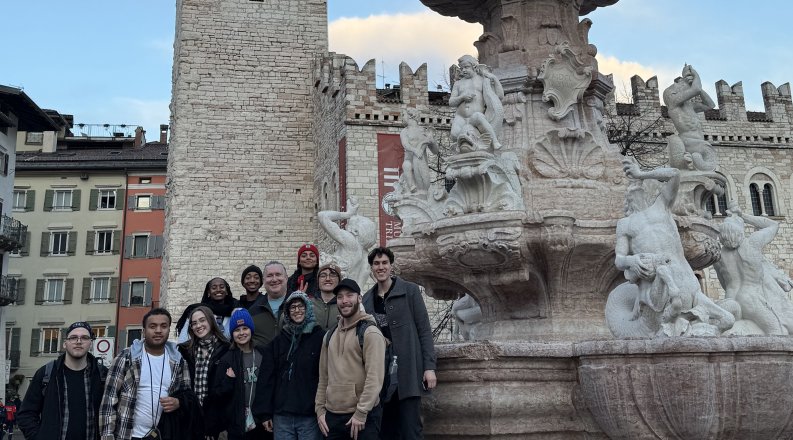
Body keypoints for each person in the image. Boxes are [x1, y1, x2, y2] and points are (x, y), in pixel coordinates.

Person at [611, 159, 734, 337]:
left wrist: (641, 174)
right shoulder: (625, 224)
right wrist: (633, 260)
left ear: (646, 191)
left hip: (686, 278)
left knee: (728, 320)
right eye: (631, 190)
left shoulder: (662, 206)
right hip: (659, 283)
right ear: (627, 198)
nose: (634, 190)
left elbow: (675, 174)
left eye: (639, 187)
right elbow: (619, 259)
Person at [362, 247, 437, 440]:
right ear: (371, 268)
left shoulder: (410, 291)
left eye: (384, 263)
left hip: (408, 373)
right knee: (386, 430)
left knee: (410, 430)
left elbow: (424, 330)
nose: (381, 267)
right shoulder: (367, 299)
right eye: (376, 264)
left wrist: (429, 367)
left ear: (391, 266)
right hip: (381, 375)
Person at [100, 308, 201, 440]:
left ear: (169, 329)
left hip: (165, 434)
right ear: (144, 330)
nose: (158, 330)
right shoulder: (126, 357)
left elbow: (187, 394)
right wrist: (107, 436)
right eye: (153, 326)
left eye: (163, 326)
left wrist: (178, 402)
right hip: (128, 435)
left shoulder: (179, 361)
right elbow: (109, 399)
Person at [315, 279, 386, 440]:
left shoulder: (370, 333)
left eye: (349, 295)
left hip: (362, 418)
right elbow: (323, 377)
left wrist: (361, 412)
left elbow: (374, 379)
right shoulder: (329, 335)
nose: (344, 301)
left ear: (359, 298)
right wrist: (320, 410)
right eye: (340, 297)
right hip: (331, 419)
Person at [18, 321, 107, 440]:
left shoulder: (102, 375)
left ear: (90, 343)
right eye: (73, 337)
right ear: (65, 343)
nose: (78, 341)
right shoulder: (46, 373)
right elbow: (26, 414)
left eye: (84, 338)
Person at [255, 292, 325, 439]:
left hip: (309, 414)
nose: (297, 310)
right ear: (286, 312)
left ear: (308, 308)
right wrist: (265, 413)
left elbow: (326, 375)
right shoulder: (278, 342)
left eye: (301, 306)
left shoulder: (320, 338)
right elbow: (267, 378)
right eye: (292, 307)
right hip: (282, 415)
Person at [714, 204, 793, 335]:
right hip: (750, 298)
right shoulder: (752, 243)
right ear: (740, 230)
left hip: (731, 298)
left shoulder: (719, 256)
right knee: (777, 332)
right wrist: (742, 215)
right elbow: (773, 225)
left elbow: (723, 282)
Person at [209, 308, 271, 440]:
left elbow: (270, 387)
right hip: (236, 423)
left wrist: (267, 414)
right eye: (237, 330)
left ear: (251, 330)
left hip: (261, 421)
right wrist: (228, 381)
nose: (241, 333)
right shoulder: (227, 359)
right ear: (232, 333)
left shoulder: (263, 354)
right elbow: (217, 394)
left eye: (245, 328)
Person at [177, 306, 230, 438]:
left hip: (217, 419)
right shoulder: (184, 350)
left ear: (211, 321)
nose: (198, 326)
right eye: (194, 323)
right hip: (190, 419)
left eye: (202, 320)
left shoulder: (227, 349)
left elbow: (228, 389)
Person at [662, 64, 717, 171]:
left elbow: (710, 105)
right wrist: (695, 75)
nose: (682, 83)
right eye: (679, 83)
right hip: (688, 143)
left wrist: (698, 88)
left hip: (700, 142)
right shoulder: (673, 104)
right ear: (672, 93)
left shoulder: (690, 106)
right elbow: (696, 89)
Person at [317, 198, 377, 286]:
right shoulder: (365, 256)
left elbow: (322, 216)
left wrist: (348, 214)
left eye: (349, 224)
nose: (345, 226)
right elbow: (360, 286)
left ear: (356, 231)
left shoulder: (350, 241)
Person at [449, 54, 504, 150]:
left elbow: (499, 96)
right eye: (462, 69)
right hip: (461, 117)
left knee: (478, 116)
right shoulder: (458, 84)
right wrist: (462, 97)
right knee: (454, 135)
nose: (464, 70)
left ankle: (494, 141)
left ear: (474, 67)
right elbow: (451, 102)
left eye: (466, 67)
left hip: (475, 117)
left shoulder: (482, 80)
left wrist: (494, 79)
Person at [400, 108, 439, 193]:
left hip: (421, 162)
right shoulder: (404, 131)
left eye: (403, 115)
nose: (402, 118)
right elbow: (405, 144)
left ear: (411, 116)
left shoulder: (423, 131)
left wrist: (432, 141)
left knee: (425, 188)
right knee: (406, 165)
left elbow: (435, 151)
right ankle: (411, 187)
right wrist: (415, 150)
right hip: (409, 160)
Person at [313, 263, 342, 330]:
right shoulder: (307, 304)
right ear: (318, 280)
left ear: (339, 280)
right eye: (323, 276)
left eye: (333, 275)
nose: (328, 279)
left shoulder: (346, 304)